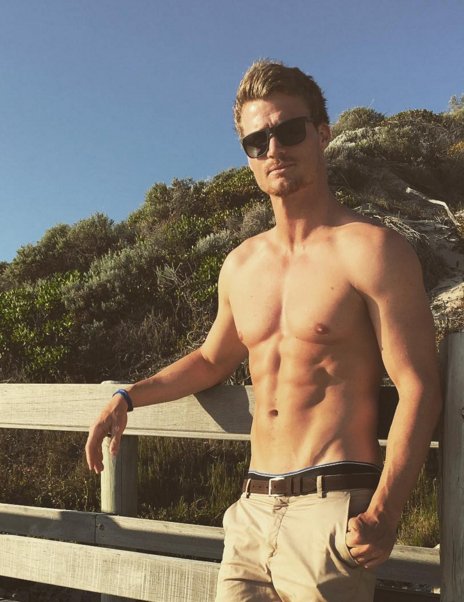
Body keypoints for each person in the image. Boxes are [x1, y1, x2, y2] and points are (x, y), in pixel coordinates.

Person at [85, 60, 442, 601]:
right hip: (250, 511)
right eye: (257, 140)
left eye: (289, 130)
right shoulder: (241, 264)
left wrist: (386, 511)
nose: (274, 149)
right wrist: (127, 396)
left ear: (322, 133)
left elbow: (419, 385)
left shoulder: (372, 250)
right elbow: (211, 360)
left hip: (332, 509)